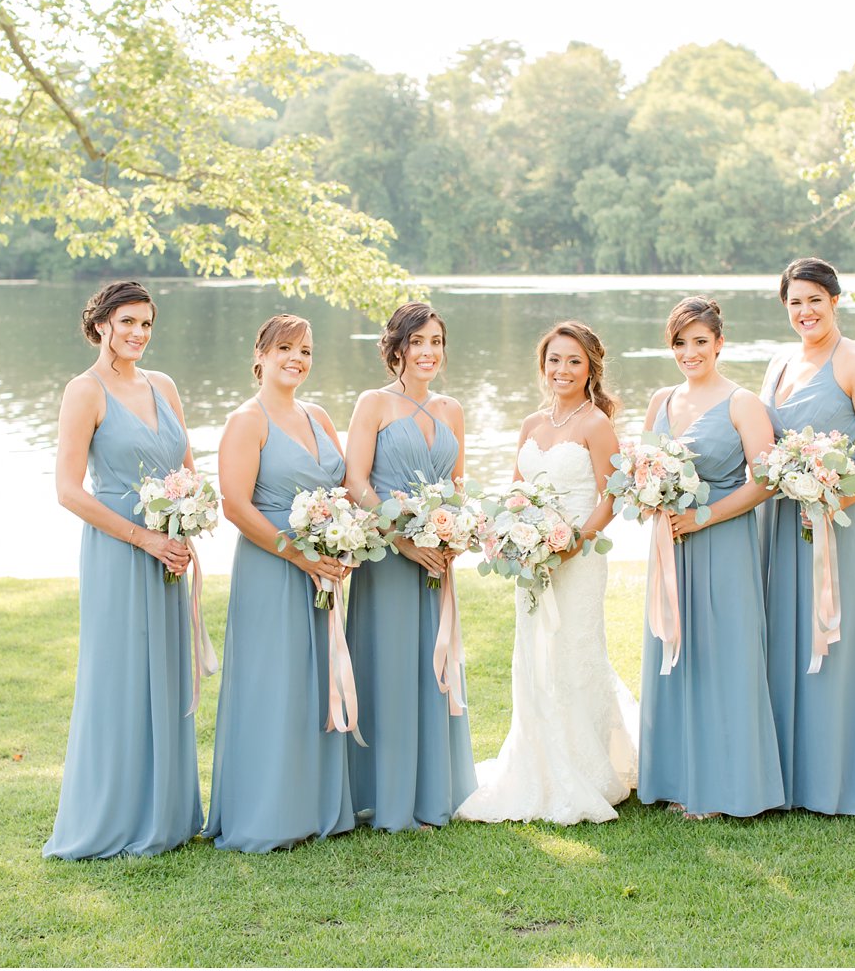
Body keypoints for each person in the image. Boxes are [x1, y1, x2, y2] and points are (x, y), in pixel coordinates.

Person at [456, 321, 638, 825]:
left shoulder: (595, 424)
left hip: (578, 560)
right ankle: (535, 764)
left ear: (590, 369)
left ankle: (588, 766)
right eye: (555, 359)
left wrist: (572, 542)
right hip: (532, 560)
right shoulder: (531, 425)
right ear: (543, 365)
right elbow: (517, 488)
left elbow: (614, 493)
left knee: (574, 653)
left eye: (574, 361)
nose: (563, 370)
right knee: (533, 656)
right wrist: (514, 534)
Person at [45, 280, 202, 859]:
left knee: (165, 674)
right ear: (102, 324)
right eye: (128, 322)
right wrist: (144, 538)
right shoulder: (84, 391)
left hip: (170, 548)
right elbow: (67, 490)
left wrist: (187, 519)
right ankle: (112, 816)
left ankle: (168, 814)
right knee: (120, 676)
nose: (138, 334)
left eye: (147, 324)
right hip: (119, 550)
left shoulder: (163, 386)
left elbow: (187, 469)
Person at [759, 258, 855, 818]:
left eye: (814, 300)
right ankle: (789, 778)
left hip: (835, 526)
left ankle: (838, 782)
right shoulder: (779, 361)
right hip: (781, 523)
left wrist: (833, 496)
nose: (805, 312)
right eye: (795, 302)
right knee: (785, 639)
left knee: (834, 643)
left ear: (834, 301)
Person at [205, 314, 360, 852]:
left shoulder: (317, 415)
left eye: (306, 351)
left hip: (321, 566)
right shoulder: (248, 420)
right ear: (262, 355)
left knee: (316, 682)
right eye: (286, 348)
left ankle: (319, 806)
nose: (297, 358)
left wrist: (343, 539)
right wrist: (299, 555)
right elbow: (235, 505)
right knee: (275, 683)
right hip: (273, 566)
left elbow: (340, 488)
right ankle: (270, 813)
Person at [637, 296, 785, 820]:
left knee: (724, 654)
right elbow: (642, 467)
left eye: (700, 341)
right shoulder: (661, 400)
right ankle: (676, 777)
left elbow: (766, 481)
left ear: (720, 343)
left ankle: (729, 784)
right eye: (680, 342)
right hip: (668, 545)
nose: (690, 352)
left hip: (721, 541)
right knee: (673, 650)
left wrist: (705, 516)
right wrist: (650, 496)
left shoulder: (743, 402)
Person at [343, 303, 477, 831]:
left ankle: (431, 792)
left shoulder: (452, 409)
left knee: (434, 670)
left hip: (436, 560)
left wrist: (455, 533)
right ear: (397, 347)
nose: (428, 352)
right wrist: (401, 539)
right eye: (417, 342)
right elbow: (356, 482)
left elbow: (459, 485)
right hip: (388, 557)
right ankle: (386, 795)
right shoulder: (374, 403)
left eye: (437, 342)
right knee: (393, 668)